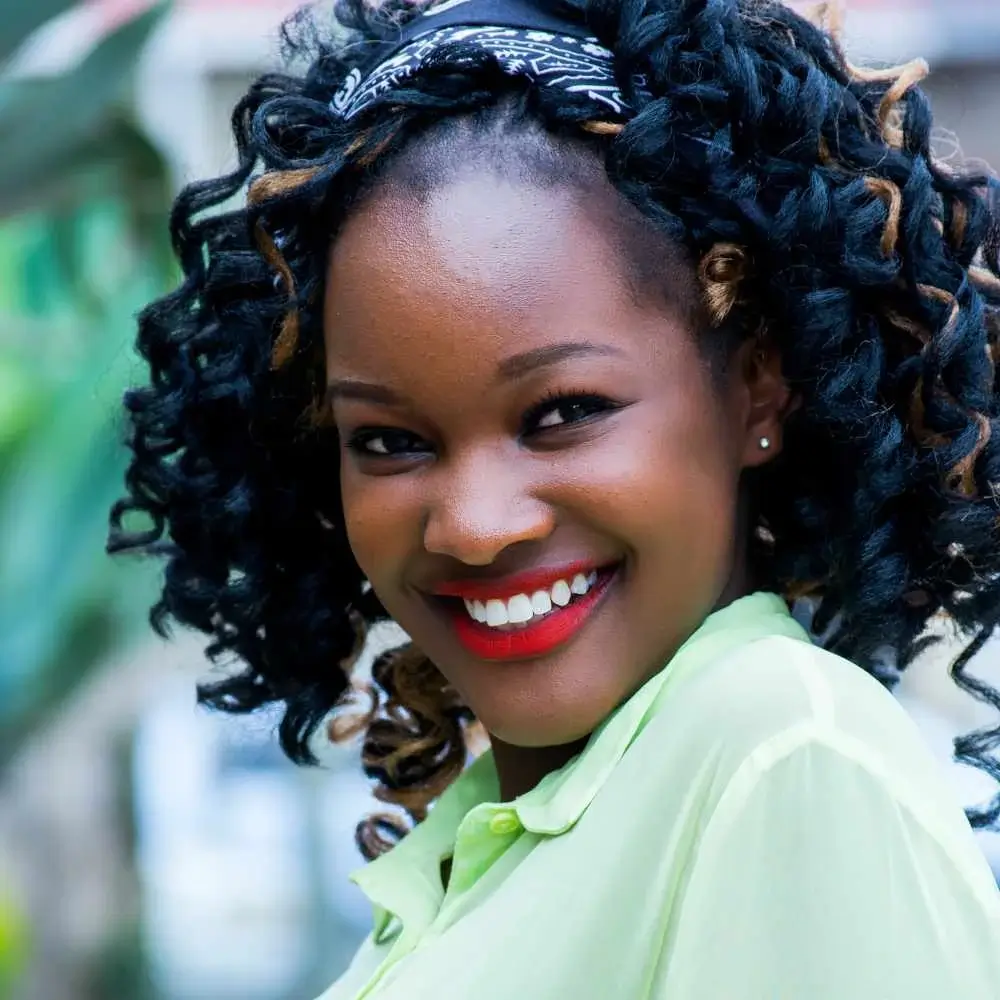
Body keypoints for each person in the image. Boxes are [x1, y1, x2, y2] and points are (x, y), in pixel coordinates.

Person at [108, 0, 1000, 995]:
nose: (476, 527)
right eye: (391, 440)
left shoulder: (781, 754)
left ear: (758, 384)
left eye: (565, 411)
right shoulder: (519, 825)